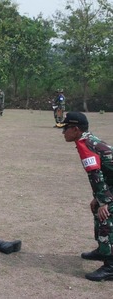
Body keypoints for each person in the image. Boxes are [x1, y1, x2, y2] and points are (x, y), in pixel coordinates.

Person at [62, 112, 113, 281]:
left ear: (76, 129)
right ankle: (102, 249)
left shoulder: (85, 145)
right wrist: (97, 198)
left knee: (106, 217)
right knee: (97, 208)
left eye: (66, 129)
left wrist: (104, 201)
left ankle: (111, 266)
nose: (63, 133)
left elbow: (95, 175)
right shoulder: (87, 140)